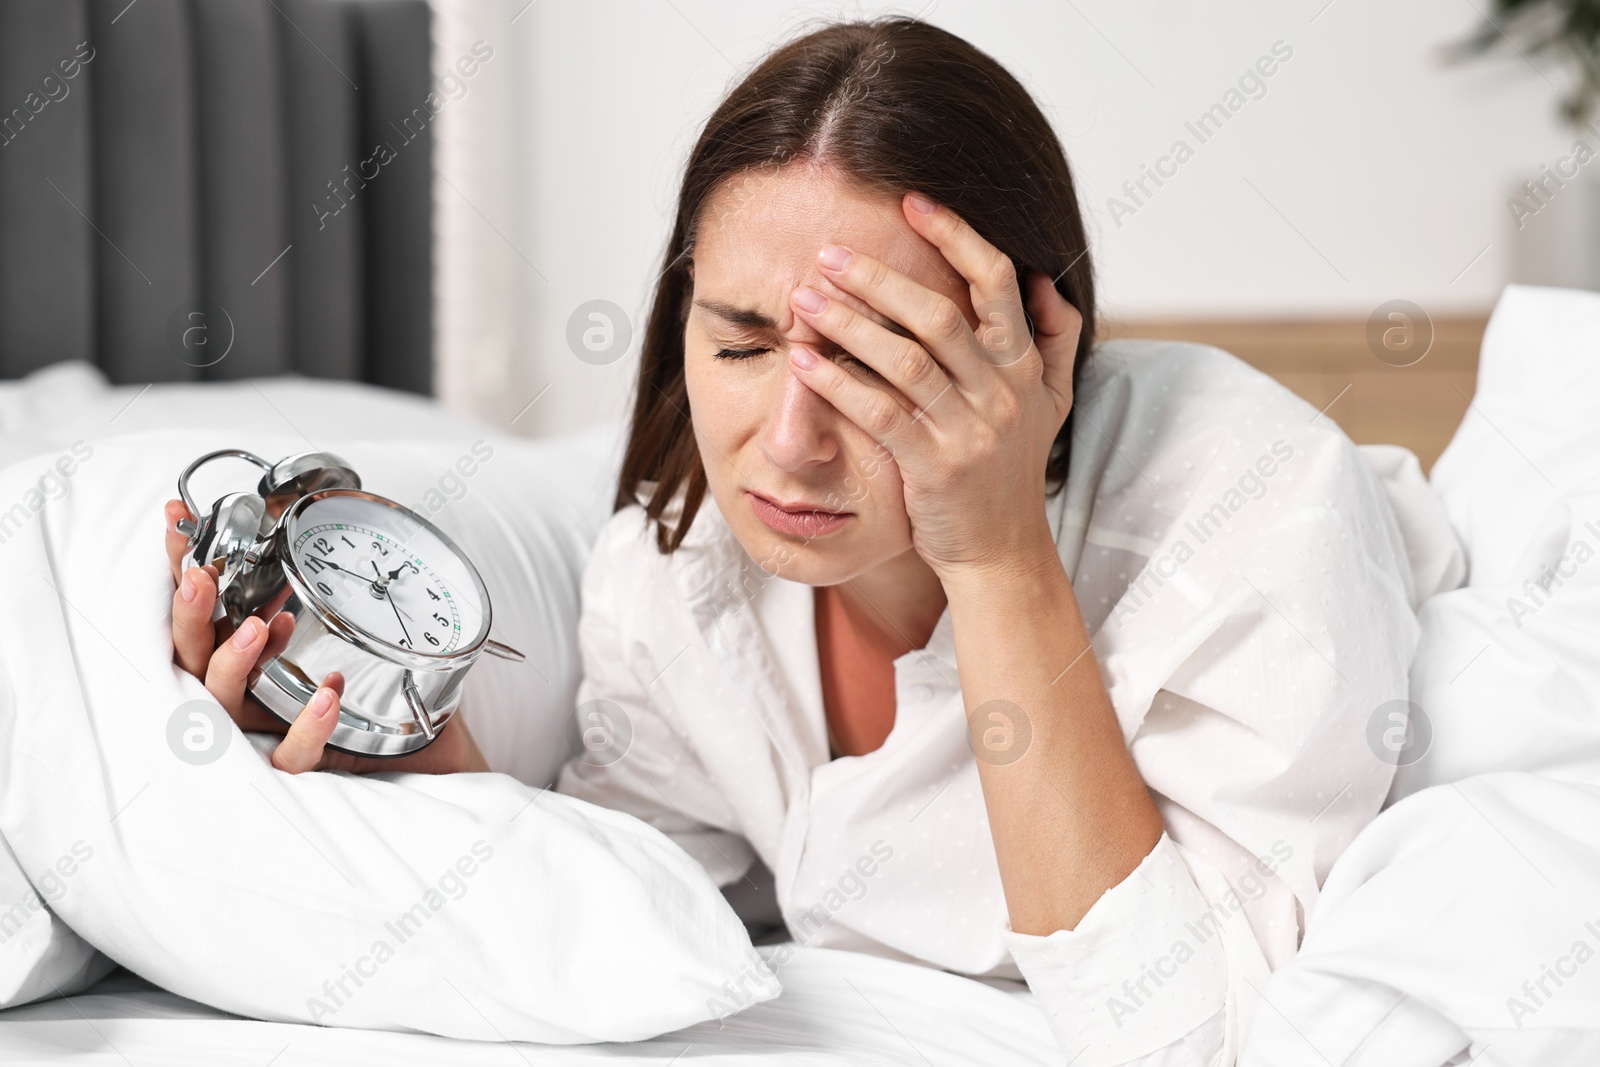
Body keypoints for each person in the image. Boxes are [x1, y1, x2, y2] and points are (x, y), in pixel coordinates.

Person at [166, 18, 1432, 1065]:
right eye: (738, 342)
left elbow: (1186, 1030)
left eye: (880, 365)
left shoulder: (1252, 502)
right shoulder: (674, 578)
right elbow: (649, 910)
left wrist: (993, 557)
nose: (788, 442)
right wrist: (411, 758)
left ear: (1037, 342)